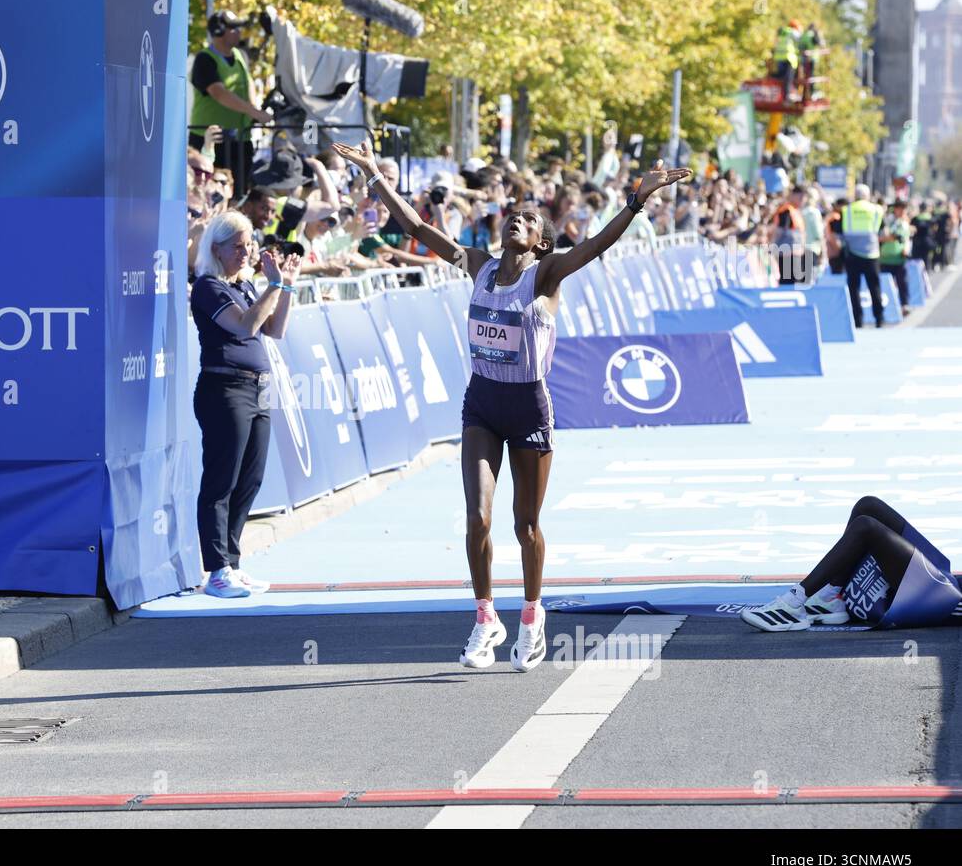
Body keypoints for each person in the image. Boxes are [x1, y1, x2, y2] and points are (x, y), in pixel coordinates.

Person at [332, 137, 690, 672]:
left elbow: (596, 245)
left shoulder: (546, 275)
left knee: (526, 526)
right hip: (481, 404)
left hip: (528, 408)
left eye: (528, 219)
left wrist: (638, 200)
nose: (516, 220)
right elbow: (417, 228)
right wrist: (372, 174)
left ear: (541, 242)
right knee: (477, 517)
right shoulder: (476, 264)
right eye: (512, 215)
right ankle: (485, 619)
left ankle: (531, 615)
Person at [189, 212, 301, 599]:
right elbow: (245, 326)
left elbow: (275, 330)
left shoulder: (246, 285)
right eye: (236, 246)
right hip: (225, 388)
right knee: (221, 480)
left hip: (259, 389)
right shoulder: (208, 287)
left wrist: (286, 286)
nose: (245, 251)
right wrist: (274, 285)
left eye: (248, 244)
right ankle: (216, 569)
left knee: (250, 479)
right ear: (216, 249)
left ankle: (233, 563)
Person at [742, 496, 960, 632]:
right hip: (949, 583)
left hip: (945, 600)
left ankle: (793, 603)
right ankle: (830, 597)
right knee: (868, 506)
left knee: (866, 527)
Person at [189, 10, 273, 187]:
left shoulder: (239, 55)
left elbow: (248, 83)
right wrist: (255, 113)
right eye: (233, 28)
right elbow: (219, 93)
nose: (239, 32)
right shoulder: (204, 59)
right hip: (211, 141)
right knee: (207, 189)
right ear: (218, 31)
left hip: (239, 140)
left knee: (240, 190)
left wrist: (255, 108)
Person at [842, 184, 884, 328]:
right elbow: (879, 230)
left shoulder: (847, 210)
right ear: (868, 195)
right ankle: (879, 318)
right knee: (875, 287)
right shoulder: (876, 209)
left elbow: (844, 232)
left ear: (855, 195)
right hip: (871, 253)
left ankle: (857, 320)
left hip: (852, 253)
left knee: (854, 289)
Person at [879, 201, 912, 315]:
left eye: (904, 209)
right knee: (884, 285)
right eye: (900, 209)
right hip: (885, 258)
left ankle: (904, 305)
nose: (902, 211)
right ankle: (885, 308)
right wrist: (893, 237)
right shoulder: (887, 221)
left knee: (902, 283)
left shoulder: (904, 223)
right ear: (895, 209)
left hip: (899, 259)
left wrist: (906, 249)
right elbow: (881, 237)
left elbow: (905, 239)